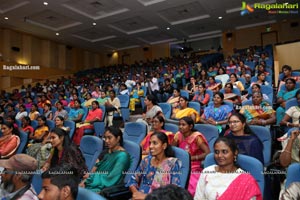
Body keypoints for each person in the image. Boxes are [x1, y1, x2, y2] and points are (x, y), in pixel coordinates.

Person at [194, 137, 262, 200]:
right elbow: (198, 198)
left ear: (235, 153)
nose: (220, 156)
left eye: (224, 152)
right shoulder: (207, 172)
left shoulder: (246, 180)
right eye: (216, 152)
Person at [127, 131, 182, 200]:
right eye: (150, 143)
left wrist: (146, 197)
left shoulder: (171, 164)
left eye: (155, 143)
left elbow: (174, 192)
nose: (150, 146)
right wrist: (136, 193)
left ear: (164, 146)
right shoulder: (146, 160)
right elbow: (133, 179)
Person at [80, 127, 131, 193]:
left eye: (109, 138)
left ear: (118, 138)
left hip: (106, 188)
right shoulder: (106, 153)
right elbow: (95, 170)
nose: (106, 141)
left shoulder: (123, 156)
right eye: (105, 138)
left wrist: (89, 179)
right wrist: (85, 181)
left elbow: (111, 178)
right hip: (95, 182)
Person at [172, 117, 210, 196]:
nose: (180, 127)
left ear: (190, 126)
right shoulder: (178, 135)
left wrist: (191, 158)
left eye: (183, 125)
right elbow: (172, 149)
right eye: (179, 125)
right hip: (179, 162)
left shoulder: (197, 137)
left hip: (193, 164)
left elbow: (207, 153)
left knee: (190, 182)